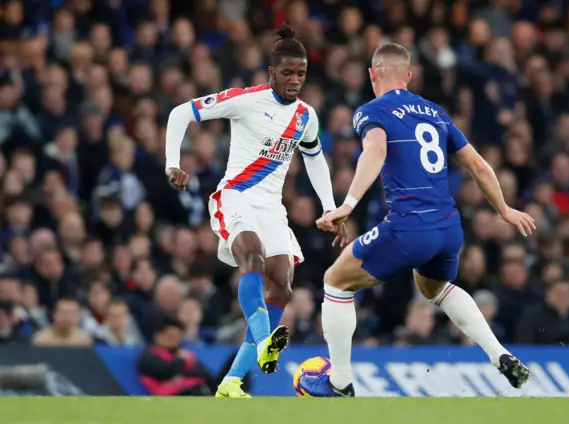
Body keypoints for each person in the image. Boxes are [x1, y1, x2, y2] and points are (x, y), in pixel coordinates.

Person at [316, 43, 536, 397]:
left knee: (336, 281)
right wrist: (504, 210)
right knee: (434, 288)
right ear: (409, 76)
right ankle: (500, 354)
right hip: (449, 228)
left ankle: (339, 382)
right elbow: (478, 165)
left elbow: (375, 150)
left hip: (410, 225)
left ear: (372, 74)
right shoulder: (436, 112)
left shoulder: (371, 110)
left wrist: (349, 203)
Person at [164, 24, 347, 398]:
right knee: (252, 254)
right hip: (236, 196)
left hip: (271, 206)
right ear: (271, 73)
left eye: (301, 73)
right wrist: (172, 162)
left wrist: (332, 207)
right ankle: (266, 341)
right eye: (287, 73)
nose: (295, 80)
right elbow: (180, 112)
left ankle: (231, 381)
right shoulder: (246, 100)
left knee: (282, 281)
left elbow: (314, 159)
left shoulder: (306, 117)